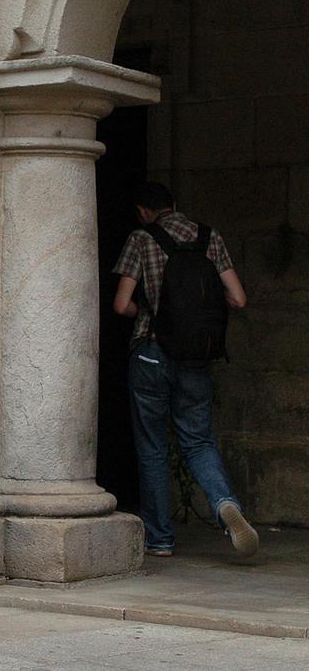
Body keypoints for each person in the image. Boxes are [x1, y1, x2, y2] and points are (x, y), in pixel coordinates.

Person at [111, 182, 257, 558]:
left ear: (143, 211)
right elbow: (238, 298)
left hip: (151, 354)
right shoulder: (210, 237)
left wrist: (148, 311)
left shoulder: (141, 239)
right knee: (198, 441)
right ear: (174, 205)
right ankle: (226, 505)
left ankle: (160, 539)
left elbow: (121, 304)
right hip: (196, 359)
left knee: (153, 449)